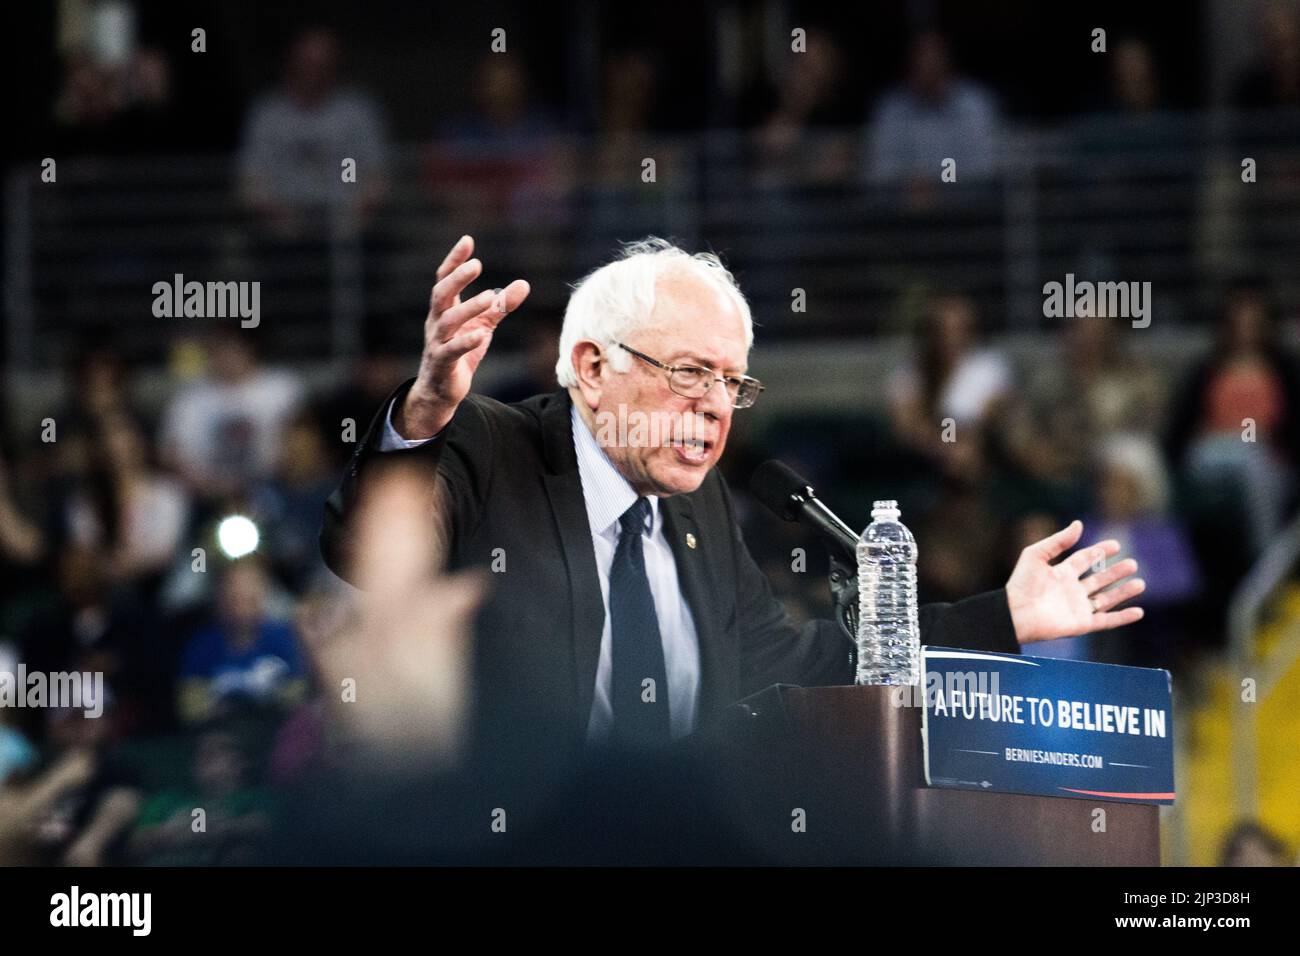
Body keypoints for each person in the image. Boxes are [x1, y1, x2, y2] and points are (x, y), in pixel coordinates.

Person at [320, 235, 1146, 760]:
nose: (716, 405)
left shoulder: (701, 512)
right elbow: (365, 552)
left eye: (731, 382)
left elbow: (811, 664)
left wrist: (1005, 616)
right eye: (688, 373)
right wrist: (424, 412)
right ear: (595, 369)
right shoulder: (490, 447)